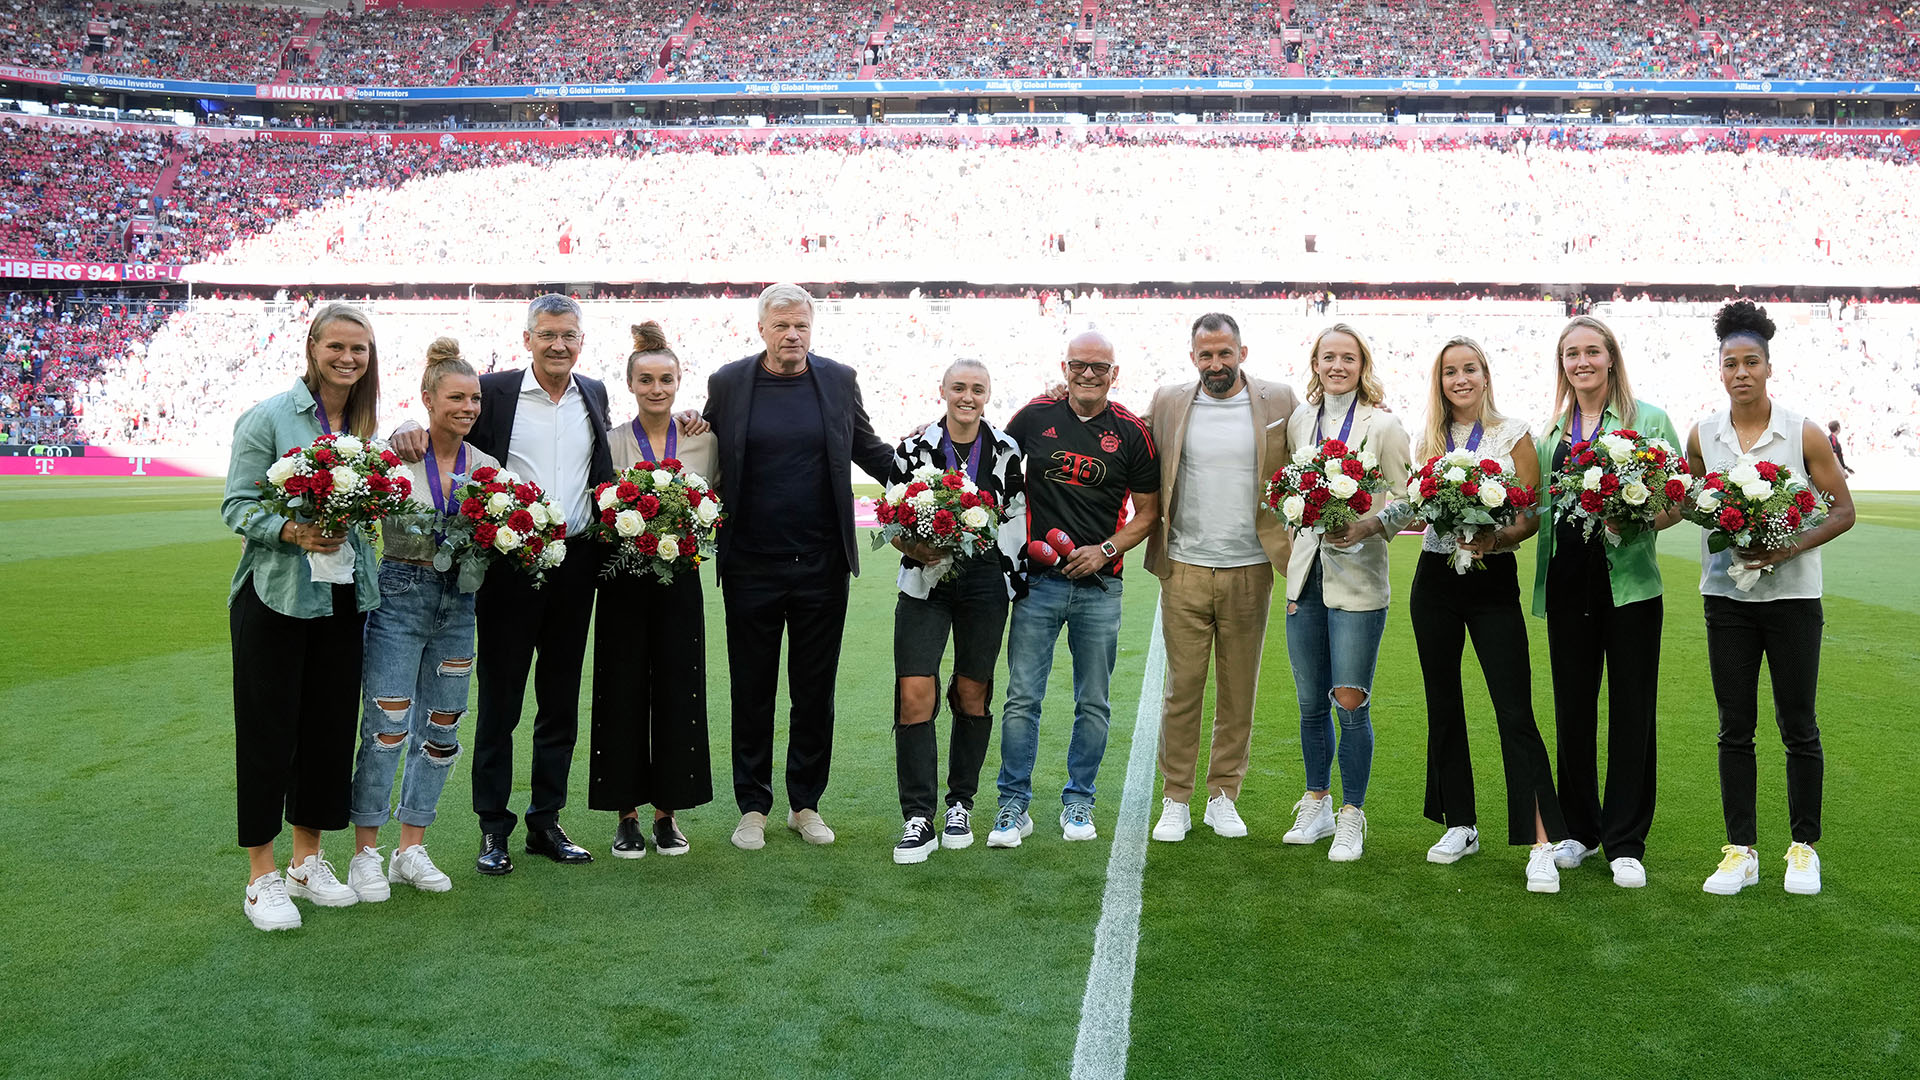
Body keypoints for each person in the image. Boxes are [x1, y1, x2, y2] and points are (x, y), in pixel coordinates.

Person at [393, 294, 616, 875]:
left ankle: (546, 821)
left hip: (576, 564)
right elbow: (449, 424)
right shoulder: (492, 391)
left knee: (560, 701)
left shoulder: (594, 392)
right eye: (547, 334)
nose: (558, 345)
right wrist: (407, 427)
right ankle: (493, 827)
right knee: (500, 703)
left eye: (568, 334)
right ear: (527, 339)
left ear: (581, 340)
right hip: (508, 569)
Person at [703, 284, 894, 850]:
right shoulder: (730, 383)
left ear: (812, 328)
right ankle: (753, 806)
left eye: (801, 327)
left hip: (821, 564)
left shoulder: (837, 379)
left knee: (814, 690)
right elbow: (707, 448)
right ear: (761, 328)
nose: (792, 336)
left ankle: (805, 803)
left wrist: (931, 477)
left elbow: (870, 448)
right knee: (752, 688)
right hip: (750, 566)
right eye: (782, 326)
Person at [222, 302, 383, 930]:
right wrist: (291, 529)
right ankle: (261, 875)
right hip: (274, 598)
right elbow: (236, 505)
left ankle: (307, 861)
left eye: (359, 350)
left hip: (343, 600)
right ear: (311, 348)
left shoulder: (364, 426)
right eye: (337, 347)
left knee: (327, 733)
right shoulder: (268, 417)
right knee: (268, 735)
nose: (347, 359)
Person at [1686, 301, 1855, 897]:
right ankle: (1741, 850)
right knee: (1735, 727)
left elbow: (1843, 510)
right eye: (1730, 362)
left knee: (1798, 725)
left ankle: (1803, 848)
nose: (1740, 372)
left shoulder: (1802, 430)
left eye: (1750, 361)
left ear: (1768, 366)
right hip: (1726, 600)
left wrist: (1786, 548)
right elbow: (1688, 500)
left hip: (1792, 600)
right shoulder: (1703, 433)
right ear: (1720, 370)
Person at [1400, 336, 1569, 893]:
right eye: (1450, 371)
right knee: (1442, 703)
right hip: (1435, 579)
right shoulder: (1426, 437)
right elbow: (1412, 509)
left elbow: (1531, 513)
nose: (1461, 379)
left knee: (1514, 708)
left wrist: (1494, 542)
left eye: (1469, 369)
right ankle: (1460, 823)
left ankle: (1541, 841)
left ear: (1485, 375)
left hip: (1492, 578)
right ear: (1440, 380)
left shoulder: (1512, 432)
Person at [988, 329, 1161, 847]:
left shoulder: (1131, 432)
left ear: (1114, 373)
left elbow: (1148, 514)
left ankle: (1079, 800)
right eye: (1079, 365)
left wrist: (1105, 550)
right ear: (1064, 369)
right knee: (1022, 698)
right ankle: (1013, 804)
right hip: (1038, 583)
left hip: (1100, 588)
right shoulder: (1033, 417)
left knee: (1094, 702)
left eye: (1099, 367)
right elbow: (987, 450)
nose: (1089, 374)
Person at [1531, 315, 1683, 890]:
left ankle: (1625, 840)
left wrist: (1638, 516)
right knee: (1572, 709)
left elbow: (1678, 497)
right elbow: (1540, 510)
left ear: (1611, 357)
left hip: (1631, 588)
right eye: (1571, 354)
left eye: (1592, 351)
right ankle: (1577, 830)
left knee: (1632, 710)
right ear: (1562, 364)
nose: (1582, 362)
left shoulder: (1649, 419)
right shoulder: (1550, 432)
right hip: (1567, 584)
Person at [344, 338, 498, 900]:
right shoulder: (398, 453)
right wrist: (396, 432)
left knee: (442, 729)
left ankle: (411, 847)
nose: (468, 407)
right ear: (428, 399)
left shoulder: (487, 468)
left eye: (475, 398)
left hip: (459, 603)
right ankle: (366, 853)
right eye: (456, 397)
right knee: (386, 728)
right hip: (400, 596)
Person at [1141, 313, 1298, 843]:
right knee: (1182, 689)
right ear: (1193, 358)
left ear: (1242, 353)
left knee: (1238, 692)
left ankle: (1223, 795)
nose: (1216, 364)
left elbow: (1311, 457)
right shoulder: (1168, 401)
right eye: (1205, 355)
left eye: (1224, 353)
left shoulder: (1279, 400)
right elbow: (1127, 443)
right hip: (1183, 566)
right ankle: (1176, 798)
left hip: (1252, 567)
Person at [1277, 323, 1411, 863]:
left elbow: (1408, 500)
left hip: (1358, 582)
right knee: (1310, 703)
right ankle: (1317, 801)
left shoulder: (1384, 425)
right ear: (1315, 363)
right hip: (1305, 576)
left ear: (1362, 366)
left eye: (1348, 359)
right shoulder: (1299, 421)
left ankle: (1352, 814)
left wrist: (1367, 526)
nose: (1337, 366)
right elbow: (1290, 489)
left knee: (1348, 701)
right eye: (1328, 357)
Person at [884, 358, 1027, 863]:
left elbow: (1014, 520)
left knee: (972, 693)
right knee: (914, 694)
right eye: (959, 387)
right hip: (924, 582)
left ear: (988, 394)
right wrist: (916, 549)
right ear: (942, 389)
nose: (968, 397)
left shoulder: (1007, 449)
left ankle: (960, 804)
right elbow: (891, 518)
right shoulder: (912, 447)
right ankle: (918, 817)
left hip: (984, 585)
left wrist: (1004, 574)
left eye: (978, 389)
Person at [590, 322, 719, 859]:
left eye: (666, 379)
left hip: (678, 580)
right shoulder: (612, 438)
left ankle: (668, 813)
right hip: (621, 581)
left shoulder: (704, 439)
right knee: (620, 692)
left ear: (679, 381)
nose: (657, 389)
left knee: (678, 691)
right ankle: (626, 815)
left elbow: (714, 508)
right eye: (646, 380)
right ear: (631, 384)